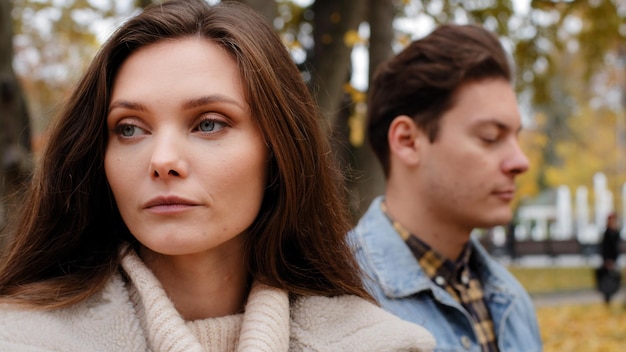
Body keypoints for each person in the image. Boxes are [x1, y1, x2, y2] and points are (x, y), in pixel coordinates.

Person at [0, 1, 435, 351]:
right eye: (129, 128)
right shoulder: (19, 339)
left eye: (209, 123)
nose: (163, 160)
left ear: (279, 150)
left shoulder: (385, 344)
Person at [349, 24, 542, 351]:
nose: (520, 161)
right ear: (408, 141)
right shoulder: (337, 300)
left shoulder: (512, 300)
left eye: (516, 137)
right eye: (490, 138)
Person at [596, 212, 622, 304]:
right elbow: (606, 248)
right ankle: (607, 297)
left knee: (613, 278)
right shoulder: (608, 233)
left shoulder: (614, 232)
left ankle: (609, 296)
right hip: (609, 259)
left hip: (613, 258)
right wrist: (607, 260)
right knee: (608, 278)